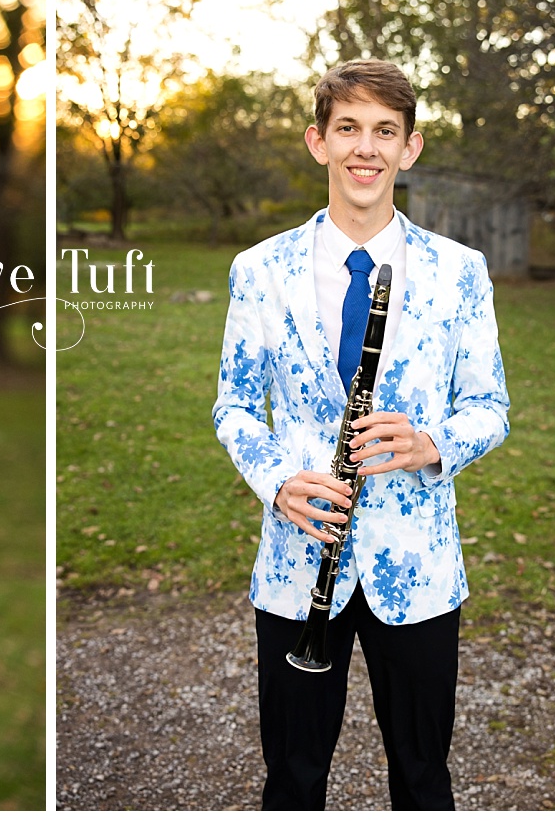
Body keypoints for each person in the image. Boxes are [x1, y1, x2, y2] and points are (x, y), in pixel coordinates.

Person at [211, 59, 510, 810]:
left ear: (410, 148)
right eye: (348, 128)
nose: (365, 148)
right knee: (294, 777)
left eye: (385, 131)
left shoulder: (460, 271)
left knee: (422, 776)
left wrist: (431, 444)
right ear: (319, 142)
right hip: (297, 563)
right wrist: (278, 481)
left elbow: (489, 405)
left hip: (420, 570)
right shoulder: (260, 270)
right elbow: (235, 407)